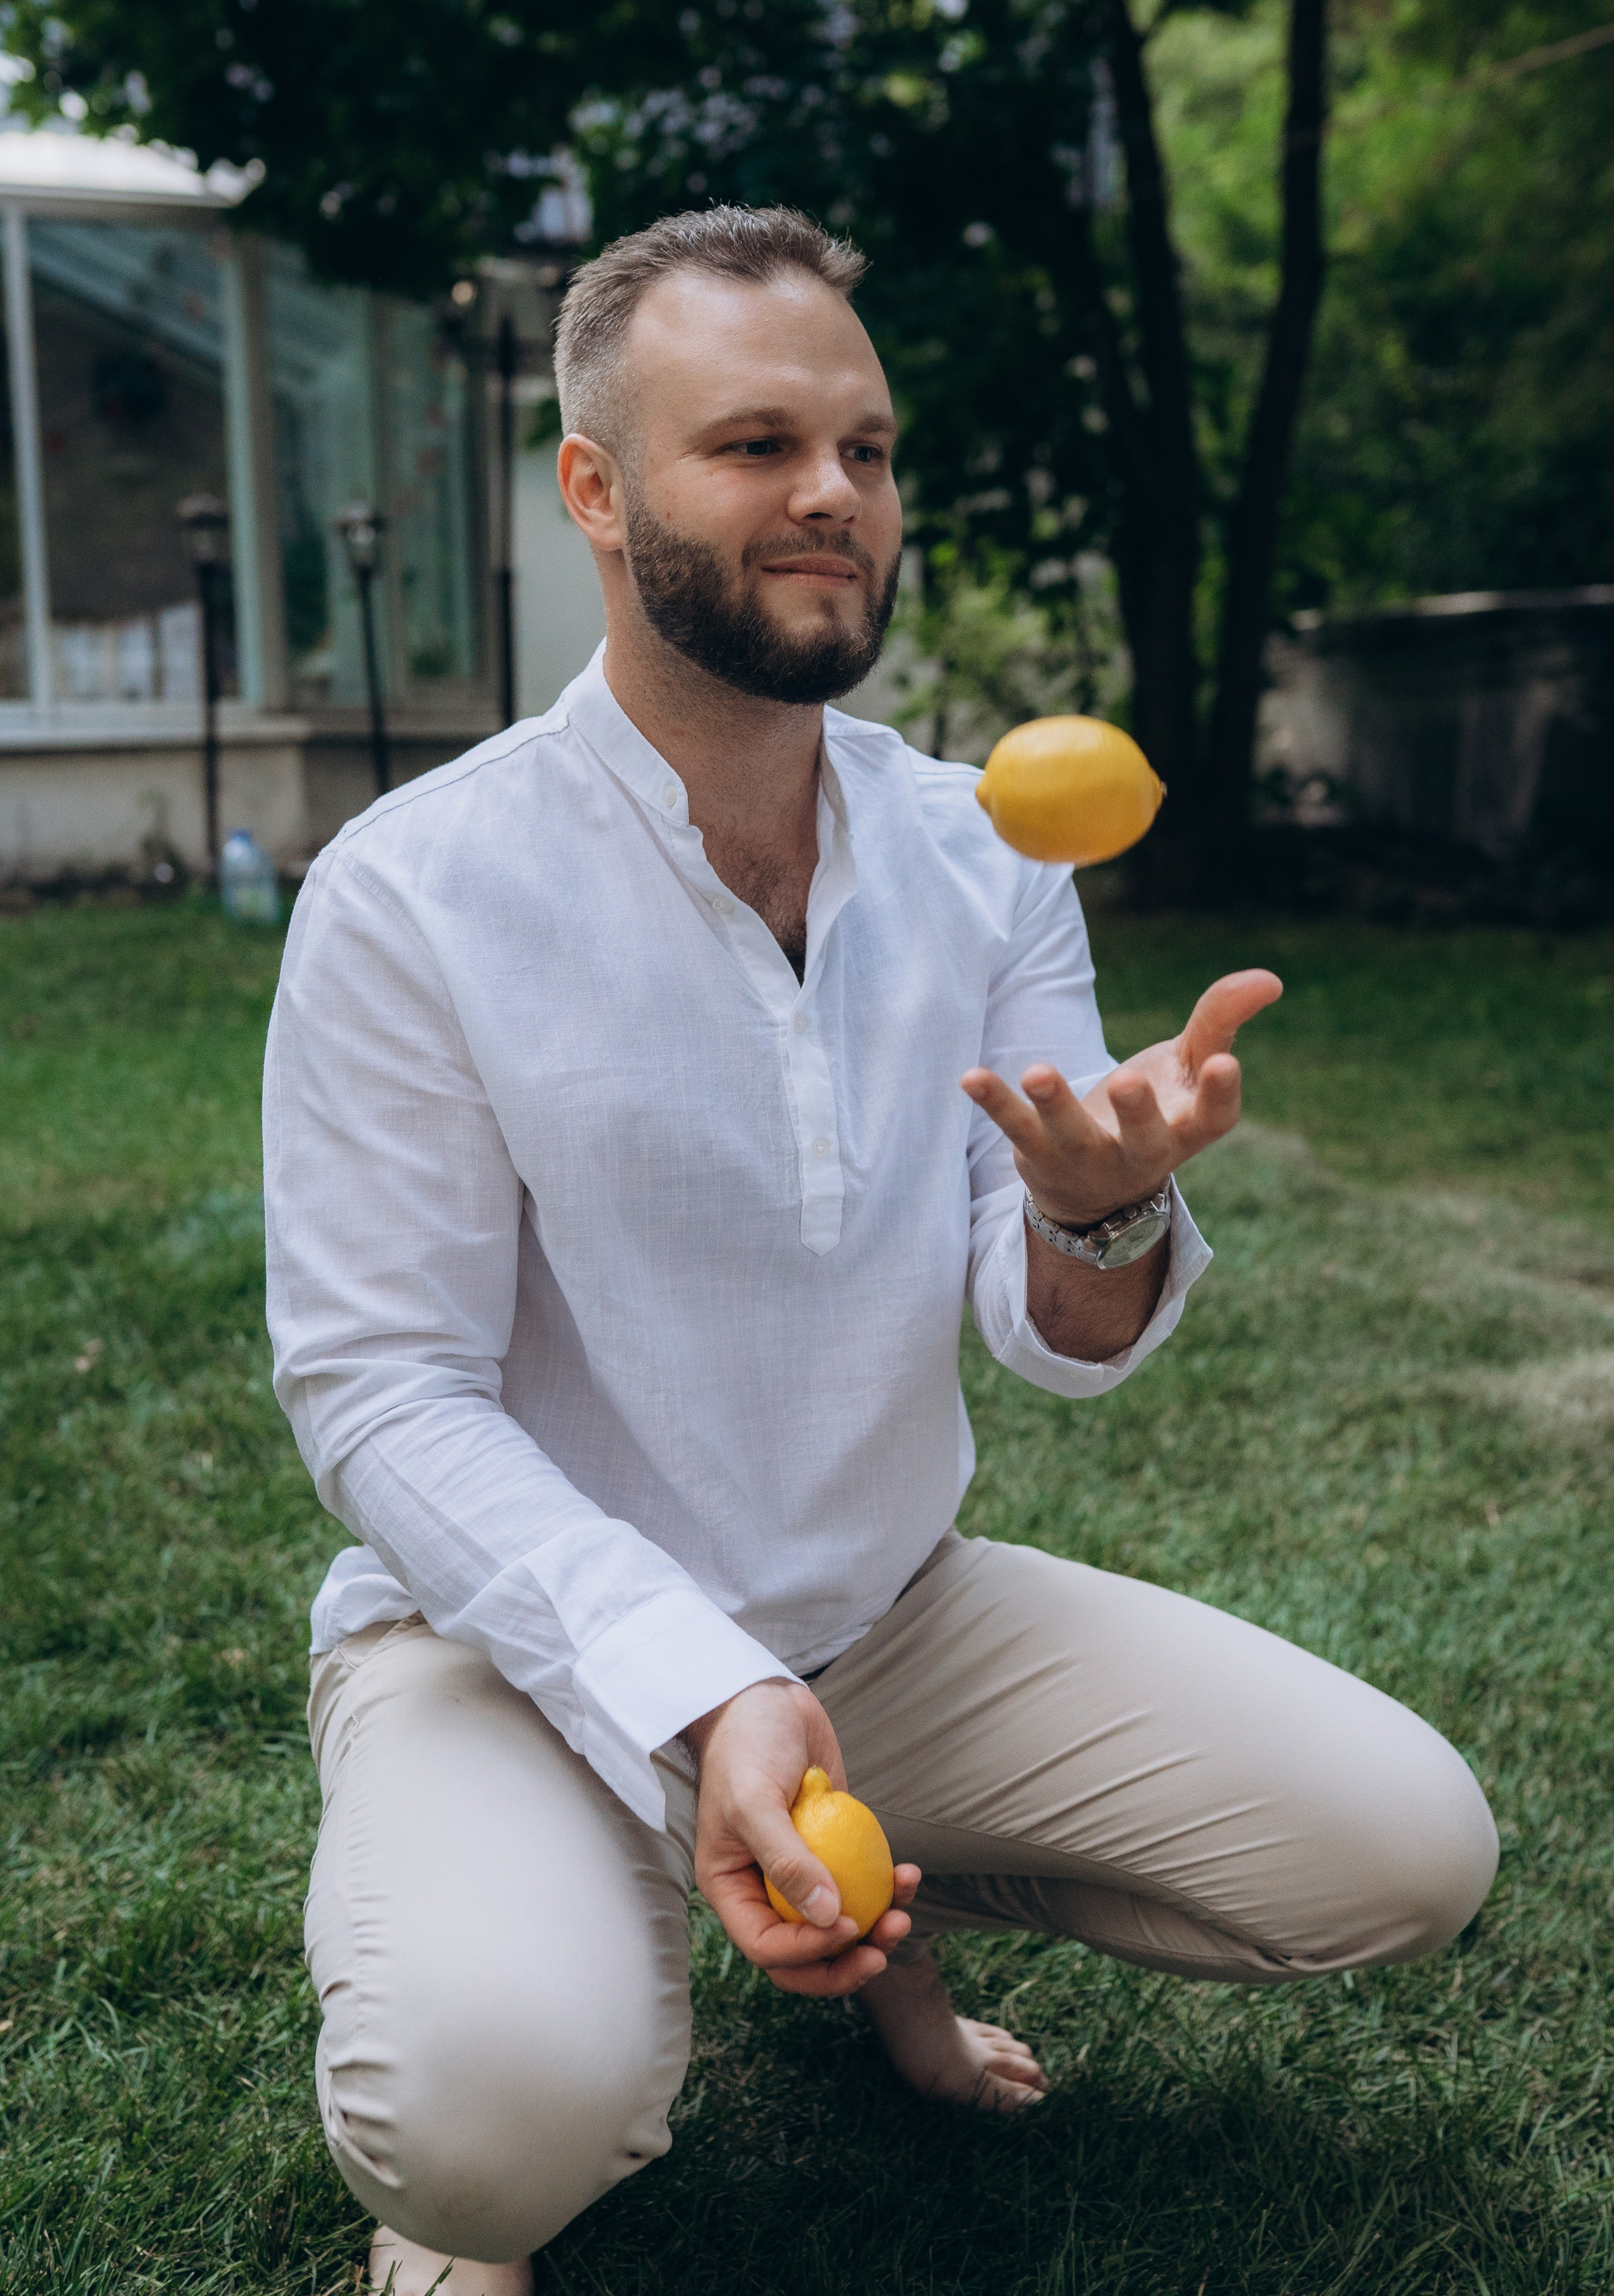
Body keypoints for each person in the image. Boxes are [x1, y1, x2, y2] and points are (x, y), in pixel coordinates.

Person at [265, 206, 1497, 2296]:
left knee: (1406, 1849)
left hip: (885, 1624)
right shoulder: (412, 894)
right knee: (489, 2130)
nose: (833, 493)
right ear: (596, 487)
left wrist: (1099, 1203)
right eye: (754, 443)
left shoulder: (982, 846)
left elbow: (1052, 1331)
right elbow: (380, 1389)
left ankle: (854, 1910)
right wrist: (703, 1686)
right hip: (504, 1650)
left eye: (867, 446)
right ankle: (572, 1950)